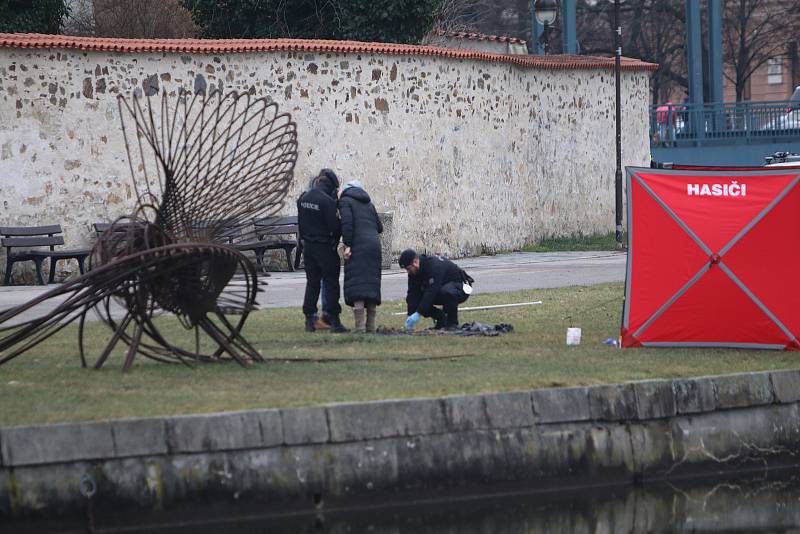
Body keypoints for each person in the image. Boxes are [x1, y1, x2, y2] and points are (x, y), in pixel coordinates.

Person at [297, 169, 348, 333]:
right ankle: (333, 319)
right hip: (325, 247)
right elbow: (334, 227)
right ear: (332, 187)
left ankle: (310, 319)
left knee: (312, 283)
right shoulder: (327, 201)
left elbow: (301, 223)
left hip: (308, 247)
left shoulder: (304, 197)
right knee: (331, 283)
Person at [339, 179, 383, 333]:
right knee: (370, 286)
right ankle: (370, 327)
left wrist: (347, 245)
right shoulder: (369, 204)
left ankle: (359, 327)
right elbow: (380, 227)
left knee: (358, 284)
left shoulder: (345, 201)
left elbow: (347, 224)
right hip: (374, 247)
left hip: (358, 246)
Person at [399, 249, 473, 330]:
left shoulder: (433, 266)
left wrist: (418, 313)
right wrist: (410, 315)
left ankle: (452, 324)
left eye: (409, 269)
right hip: (441, 288)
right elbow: (412, 294)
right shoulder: (413, 272)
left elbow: (431, 291)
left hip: (461, 287)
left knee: (446, 291)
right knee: (419, 299)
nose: (408, 272)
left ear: (415, 262)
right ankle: (441, 319)